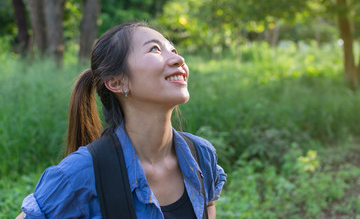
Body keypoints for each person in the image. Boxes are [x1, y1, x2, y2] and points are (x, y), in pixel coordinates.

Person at [16, 22, 226, 219]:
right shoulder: (81, 173)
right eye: (155, 49)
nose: (177, 59)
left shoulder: (201, 156)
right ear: (117, 82)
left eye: (173, 50)